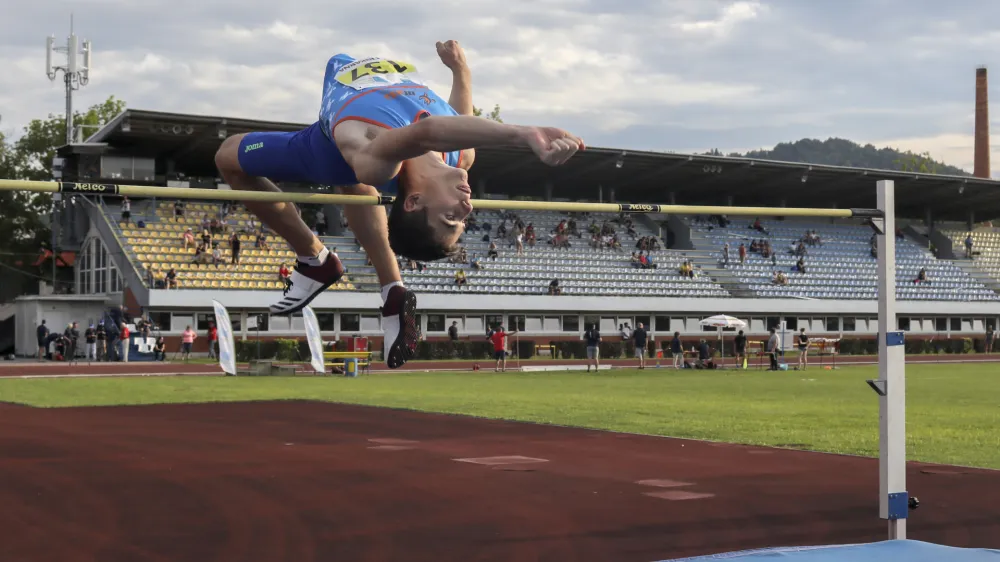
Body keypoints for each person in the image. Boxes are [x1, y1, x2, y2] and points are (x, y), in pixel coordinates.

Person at [213, 41, 583, 370]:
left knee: (230, 156)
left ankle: (315, 257)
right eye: (463, 221)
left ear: (416, 201)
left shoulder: (376, 157)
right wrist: (460, 70)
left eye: (451, 217)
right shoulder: (461, 155)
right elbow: (456, 120)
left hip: (327, 149)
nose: (468, 209)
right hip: (370, 108)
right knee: (358, 184)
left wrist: (522, 134)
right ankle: (392, 291)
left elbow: (425, 132)